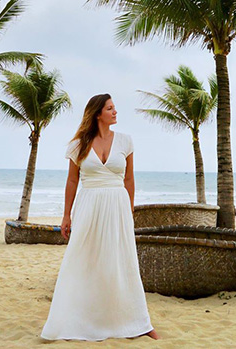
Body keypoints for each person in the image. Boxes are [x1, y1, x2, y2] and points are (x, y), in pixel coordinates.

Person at [40, 93, 159, 341]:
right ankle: (75, 320)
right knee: (83, 259)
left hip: (117, 205)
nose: (115, 112)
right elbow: (72, 180)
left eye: (114, 108)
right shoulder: (78, 145)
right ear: (97, 114)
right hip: (89, 204)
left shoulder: (126, 141)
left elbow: (129, 180)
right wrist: (66, 216)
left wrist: (130, 210)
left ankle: (140, 322)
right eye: (110, 108)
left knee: (121, 262)